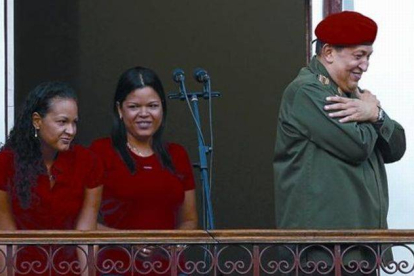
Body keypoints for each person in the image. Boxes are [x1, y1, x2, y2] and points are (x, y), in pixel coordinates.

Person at [273, 11, 406, 274]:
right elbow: (357, 146)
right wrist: (370, 112)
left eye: (368, 57)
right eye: (358, 55)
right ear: (329, 53)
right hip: (321, 251)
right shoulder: (307, 91)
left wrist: (375, 114)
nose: (365, 65)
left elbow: (397, 146)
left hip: (358, 247)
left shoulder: (353, 96)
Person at [90, 66, 198, 275]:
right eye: (134, 106)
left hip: (170, 268)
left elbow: (190, 220)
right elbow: (84, 222)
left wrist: (170, 242)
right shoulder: (100, 151)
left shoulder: (177, 154)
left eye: (152, 106)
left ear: (163, 109)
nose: (144, 114)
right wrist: (129, 241)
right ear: (120, 110)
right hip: (115, 268)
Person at [0, 82, 103, 276]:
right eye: (62, 122)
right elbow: (6, 234)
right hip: (22, 270)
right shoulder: (6, 162)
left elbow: (86, 233)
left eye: (74, 122)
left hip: (69, 269)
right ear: (37, 121)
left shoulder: (87, 161)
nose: (71, 131)